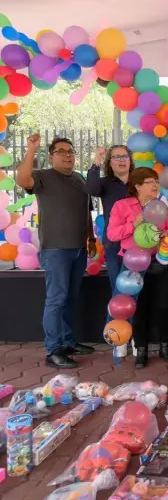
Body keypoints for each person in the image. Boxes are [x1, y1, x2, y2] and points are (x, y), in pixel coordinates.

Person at [17, 134, 96, 369]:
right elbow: (23, 180)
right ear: (51, 156)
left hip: (79, 248)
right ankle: (53, 350)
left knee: (70, 298)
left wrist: (91, 238)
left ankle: (69, 342)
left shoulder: (80, 179)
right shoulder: (43, 177)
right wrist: (31, 149)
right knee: (56, 299)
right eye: (61, 152)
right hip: (55, 249)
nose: (68, 155)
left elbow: (86, 212)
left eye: (70, 151)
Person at [106, 168, 168, 369]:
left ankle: (165, 346)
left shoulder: (162, 204)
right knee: (139, 307)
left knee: (163, 305)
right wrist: (134, 224)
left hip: (159, 260)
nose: (155, 185)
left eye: (156, 181)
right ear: (137, 185)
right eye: (150, 182)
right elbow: (112, 234)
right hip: (133, 263)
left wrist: (165, 233)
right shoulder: (122, 206)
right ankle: (142, 350)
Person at [86, 145, 134, 334]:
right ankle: (115, 333)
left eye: (125, 156)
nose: (121, 160)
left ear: (130, 160)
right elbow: (90, 188)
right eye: (116, 157)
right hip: (113, 245)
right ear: (110, 162)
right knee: (118, 289)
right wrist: (96, 161)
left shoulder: (138, 182)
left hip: (136, 245)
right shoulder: (105, 183)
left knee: (133, 289)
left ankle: (131, 333)